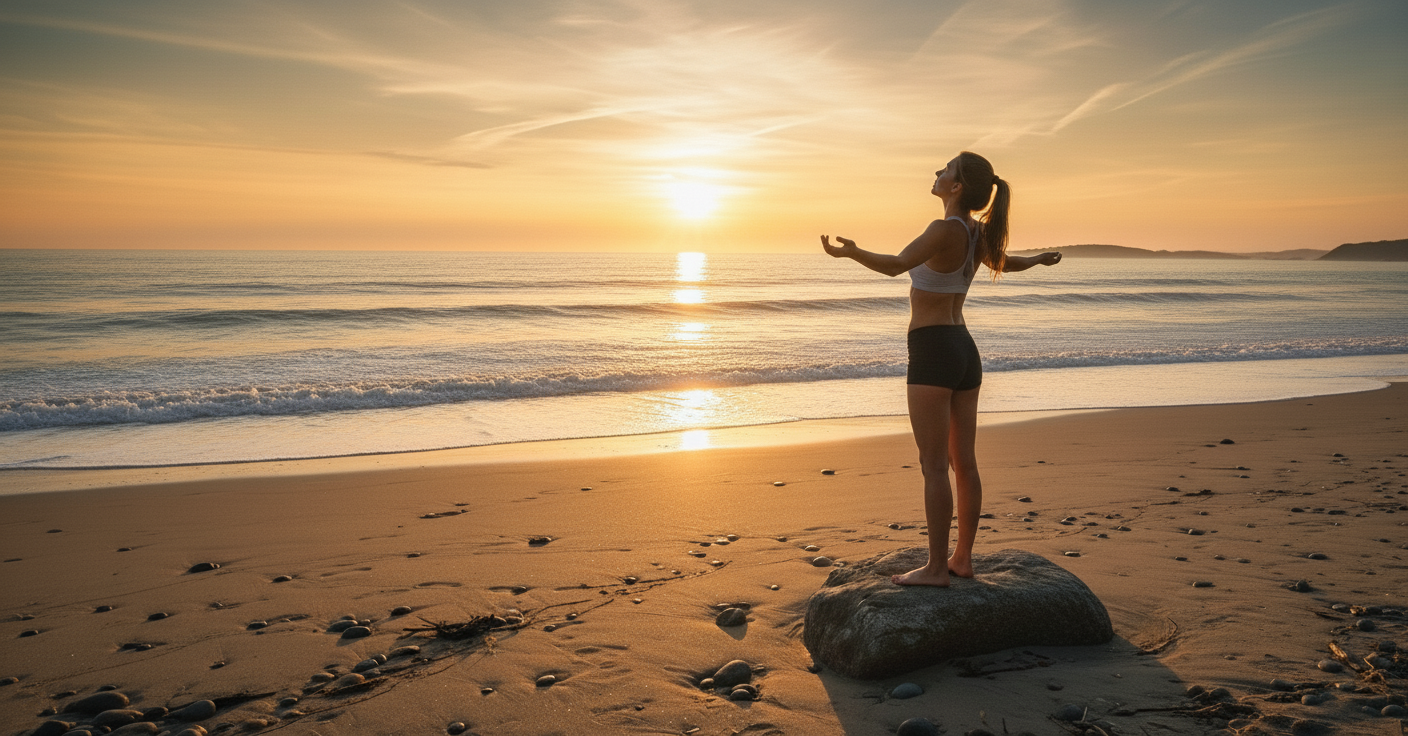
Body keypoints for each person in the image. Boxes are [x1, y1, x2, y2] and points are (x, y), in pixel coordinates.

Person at [821, 151, 1062, 586]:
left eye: (945, 169)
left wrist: (852, 254)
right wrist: (1039, 259)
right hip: (965, 351)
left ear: (956, 187)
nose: (936, 172)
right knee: (963, 463)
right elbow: (1006, 263)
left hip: (933, 350)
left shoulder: (944, 229)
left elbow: (896, 266)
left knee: (934, 464)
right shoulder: (976, 231)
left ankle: (936, 568)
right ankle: (962, 559)